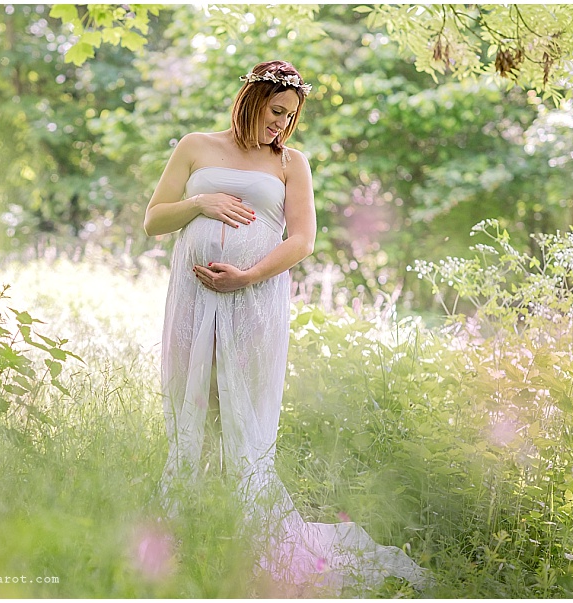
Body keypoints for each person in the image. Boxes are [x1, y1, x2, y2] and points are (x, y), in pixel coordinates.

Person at [144, 60, 431, 595]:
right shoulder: (194, 146)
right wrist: (199, 203)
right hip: (191, 300)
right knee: (192, 408)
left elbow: (302, 240)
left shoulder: (291, 164)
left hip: (253, 301)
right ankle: (185, 530)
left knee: (240, 413)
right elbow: (154, 219)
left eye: (290, 117)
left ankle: (247, 536)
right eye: (276, 111)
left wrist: (247, 274)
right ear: (251, 99)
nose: (281, 125)